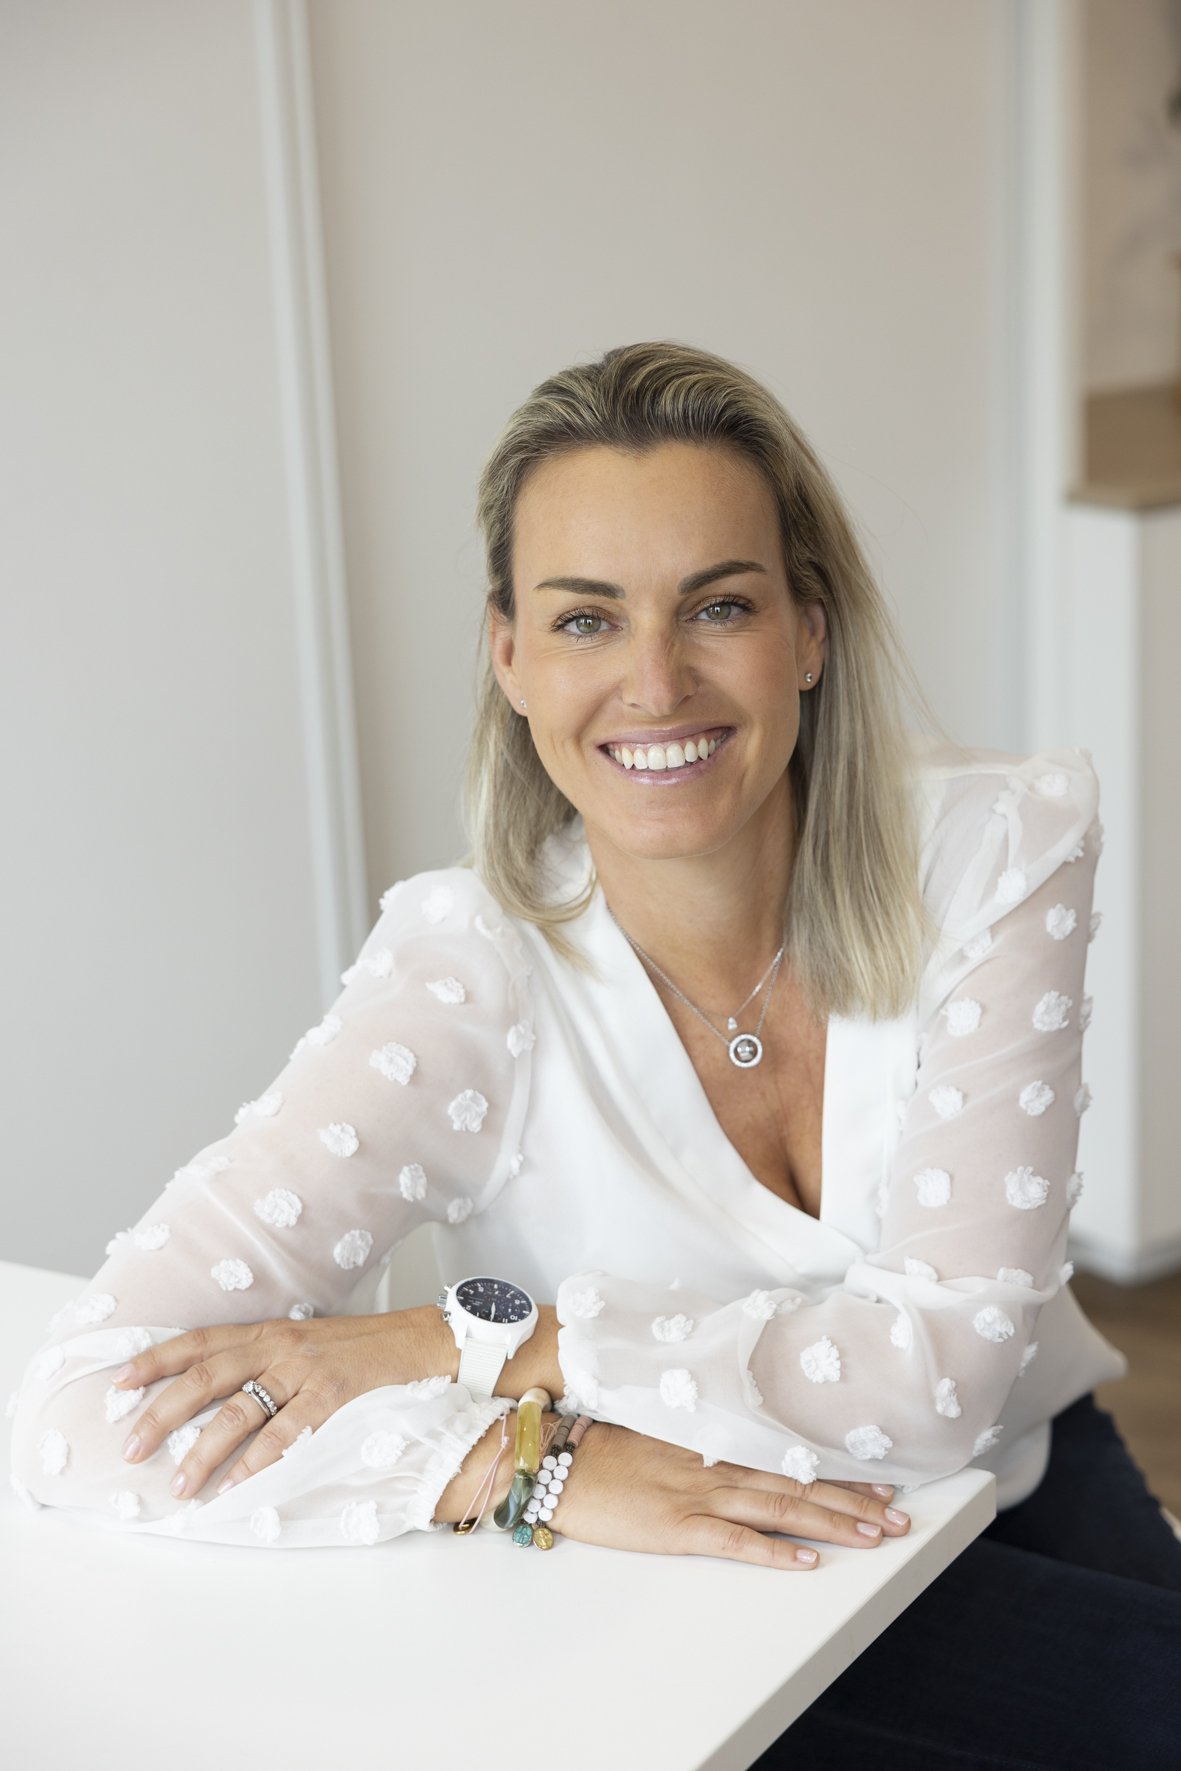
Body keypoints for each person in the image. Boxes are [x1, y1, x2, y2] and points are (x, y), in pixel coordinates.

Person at [10, 341, 1180, 1763]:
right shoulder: (465, 974)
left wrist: (470, 1345)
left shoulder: (993, 850)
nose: (655, 681)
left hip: (1006, 1478)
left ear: (808, 631)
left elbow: (937, 1383)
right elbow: (77, 1415)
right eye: (584, 621)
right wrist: (515, 1460)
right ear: (507, 657)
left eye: (719, 607)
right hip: (678, 1562)